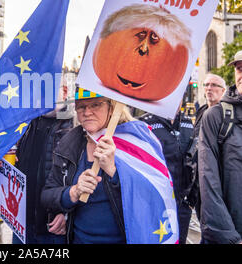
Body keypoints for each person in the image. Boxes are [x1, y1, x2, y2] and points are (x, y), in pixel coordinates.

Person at [41, 88, 178, 244]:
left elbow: (154, 193)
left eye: (95, 105)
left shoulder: (137, 139)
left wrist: (113, 171)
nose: (87, 112)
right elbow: (47, 195)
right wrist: (73, 192)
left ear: (111, 108)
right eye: (81, 106)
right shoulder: (69, 142)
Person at [198, 49, 242, 244]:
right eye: (240, 69)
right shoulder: (216, 116)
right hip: (231, 233)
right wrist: (230, 238)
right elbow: (208, 180)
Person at [13, 105, 73, 244]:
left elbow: (80, 174)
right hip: (21, 220)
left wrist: (67, 213)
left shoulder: (75, 123)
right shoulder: (26, 120)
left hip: (53, 226)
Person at [139, 104, 194, 244]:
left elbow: (194, 158)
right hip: (158, 203)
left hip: (183, 203)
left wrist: (192, 197)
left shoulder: (188, 122)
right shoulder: (145, 122)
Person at [188, 73, 226, 221]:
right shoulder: (202, 110)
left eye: (214, 85)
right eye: (206, 85)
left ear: (223, 91)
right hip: (198, 175)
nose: (209, 88)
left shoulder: (225, 114)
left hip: (216, 177)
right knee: (202, 218)